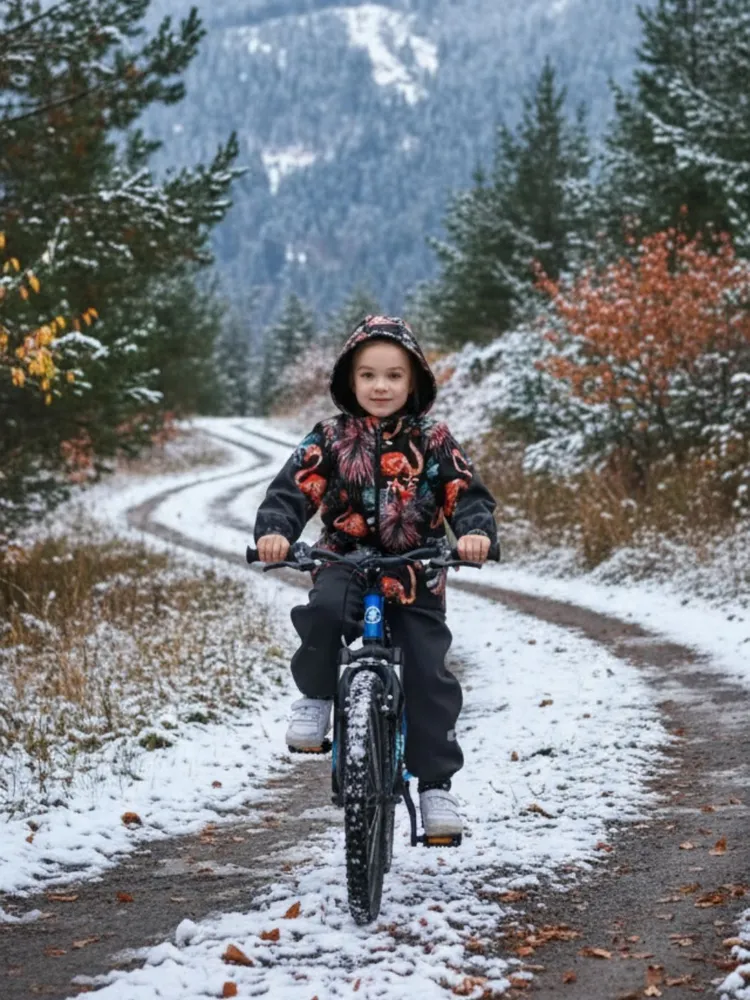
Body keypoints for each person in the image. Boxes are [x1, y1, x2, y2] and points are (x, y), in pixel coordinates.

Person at [254, 315, 498, 837]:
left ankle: (434, 787)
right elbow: (293, 489)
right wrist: (275, 530)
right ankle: (317, 696)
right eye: (368, 375)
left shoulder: (433, 438)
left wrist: (474, 533)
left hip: (416, 569)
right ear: (350, 380)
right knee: (322, 614)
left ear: (414, 382)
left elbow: (465, 493)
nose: (380, 386)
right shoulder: (330, 437)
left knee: (428, 674)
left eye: (393, 376)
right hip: (343, 560)